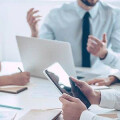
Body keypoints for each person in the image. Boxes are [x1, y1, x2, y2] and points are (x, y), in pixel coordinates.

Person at [27, 0, 120, 69]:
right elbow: (43, 55)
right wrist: (35, 34)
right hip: (66, 77)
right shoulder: (55, 14)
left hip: (101, 79)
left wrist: (104, 54)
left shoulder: (115, 14)